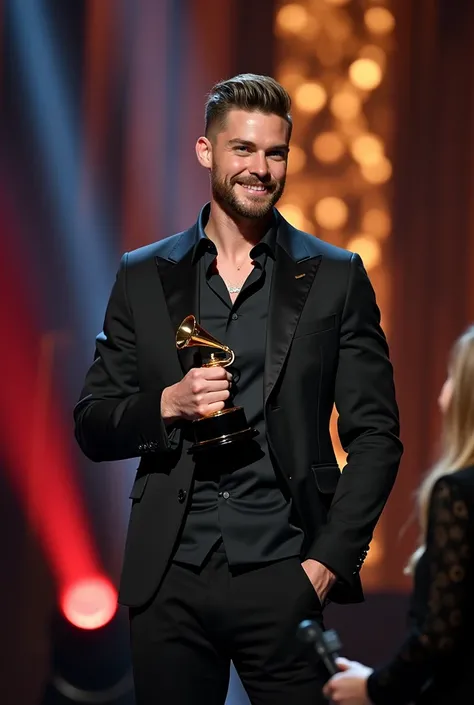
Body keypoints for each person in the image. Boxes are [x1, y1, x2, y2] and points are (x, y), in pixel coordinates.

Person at [74, 73, 402, 705]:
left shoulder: (334, 276)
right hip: (168, 578)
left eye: (275, 152)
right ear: (206, 152)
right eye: (243, 150)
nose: (261, 168)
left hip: (284, 574)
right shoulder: (144, 275)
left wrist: (327, 564)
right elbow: (92, 421)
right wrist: (167, 404)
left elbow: (378, 435)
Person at [324, 325, 474, 705]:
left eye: (453, 380)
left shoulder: (457, 492)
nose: (442, 398)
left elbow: (439, 635)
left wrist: (374, 688)